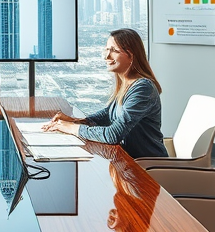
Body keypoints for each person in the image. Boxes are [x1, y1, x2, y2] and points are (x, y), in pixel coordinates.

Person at [43, 28, 167, 158]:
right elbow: (108, 115)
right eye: (107, 49)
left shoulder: (143, 88)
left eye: (114, 50)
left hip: (146, 167)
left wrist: (71, 128)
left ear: (132, 55)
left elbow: (113, 135)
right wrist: (76, 121)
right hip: (128, 160)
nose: (107, 56)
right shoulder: (126, 84)